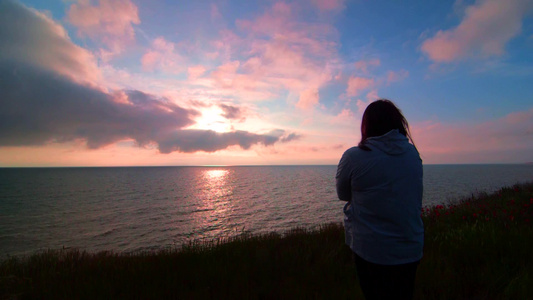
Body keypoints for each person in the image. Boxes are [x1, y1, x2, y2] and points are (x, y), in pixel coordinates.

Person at [336, 99, 423, 300]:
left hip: (371, 251)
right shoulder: (412, 154)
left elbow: (342, 195)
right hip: (410, 248)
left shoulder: (353, 157)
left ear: (367, 126)